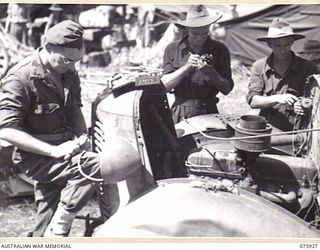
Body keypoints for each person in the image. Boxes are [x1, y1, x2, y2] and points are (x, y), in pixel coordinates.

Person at [0, 20, 135, 237]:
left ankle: (44, 236)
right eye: (67, 60)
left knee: (46, 218)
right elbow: (6, 130)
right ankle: (60, 227)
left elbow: (74, 109)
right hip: (37, 157)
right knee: (95, 166)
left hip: (66, 151)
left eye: (77, 61)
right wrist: (53, 151)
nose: (72, 66)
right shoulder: (20, 78)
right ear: (49, 47)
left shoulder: (67, 70)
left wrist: (83, 136)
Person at [161, 5, 234, 124]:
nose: (200, 38)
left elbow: (226, 89)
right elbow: (164, 86)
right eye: (195, 34)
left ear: (210, 28)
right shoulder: (173, 49)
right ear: (187, 29)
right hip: (180, 111)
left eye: (204, 34)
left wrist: (211, 72)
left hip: (209, 111)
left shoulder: (220, 50)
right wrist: (186, 68)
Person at [247, 18, 318, 132]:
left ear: (292, 42)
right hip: (268, 130)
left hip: (301, 130)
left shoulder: (308, 67)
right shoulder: (259, 67)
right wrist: (277, 98)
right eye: (278, 46)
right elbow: (253, 101)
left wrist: (304, 106)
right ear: (270, 44)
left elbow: (316, 100)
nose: (282, 50)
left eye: (286, 45)